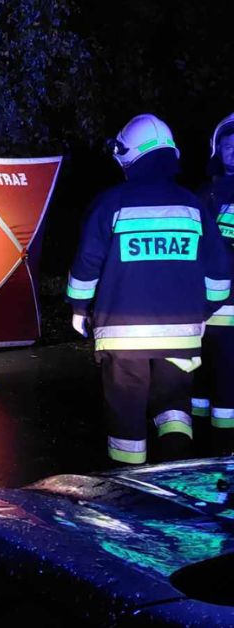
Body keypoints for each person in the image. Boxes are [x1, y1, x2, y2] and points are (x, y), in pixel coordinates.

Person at [67, 113, 230, 466]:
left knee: (126, 412)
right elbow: (219, 277)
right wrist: (200, 313)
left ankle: (129, 493)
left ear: (129, 155)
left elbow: (86, 266)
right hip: (182, 336)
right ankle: (174, 475)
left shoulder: (111, 203)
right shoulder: (193, 206)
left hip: (123, 339)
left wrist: (79, 308)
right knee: (175, 408)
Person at [193, 113, 234, 453]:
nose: (233, 150)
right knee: (201, 382)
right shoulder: (204, 195)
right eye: (227, 144)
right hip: (204, 308)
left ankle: (224, 446)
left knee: (228, 383)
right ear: (216, 149)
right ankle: (201, 448)